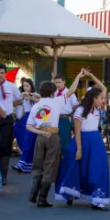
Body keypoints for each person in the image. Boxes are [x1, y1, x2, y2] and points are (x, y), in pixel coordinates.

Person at [26, 69, 85, 208]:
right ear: (53, 92)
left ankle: (33, 192)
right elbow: (71, 90)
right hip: (53, 135)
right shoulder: (57, 101)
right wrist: (78, 76)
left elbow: (29, 126)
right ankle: (42, 198)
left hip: (40, 136)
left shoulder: (36, 106)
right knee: (50, 165)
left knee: (38, 164)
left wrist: (40, 132)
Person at [55, 71, 110, 211]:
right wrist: (79, 149)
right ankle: (71, 194)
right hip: (82, 141)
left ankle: (96, 199)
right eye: (99, 98)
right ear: (93, 98)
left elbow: (104, 88)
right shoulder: (80, 111)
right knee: (77, 168)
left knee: (97, 168)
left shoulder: (96, 109)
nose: (102, 100)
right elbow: (77, 131)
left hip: (96, 142)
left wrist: (91, 76)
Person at [0, 64, 23, 185]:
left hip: (7, 119)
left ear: (5, 73)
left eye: (2, 72)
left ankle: (3, 176)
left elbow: (20, 99)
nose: (0, 75)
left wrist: (11, 105)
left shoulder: (11, 86)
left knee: (5, 146)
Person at [12, 79, 40, 173]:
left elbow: (41, 100)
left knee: (29, 141)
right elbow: (24, 110)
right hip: (25, 119)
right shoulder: (23, 97)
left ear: (31, 86)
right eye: (24, 86)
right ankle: (27, 164)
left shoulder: (35, 95)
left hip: (33, 120)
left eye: (27, 85)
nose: (25, 87)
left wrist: (31, 97)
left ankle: (22, 163)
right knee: (23, 139)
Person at [54, 74, 79, 155]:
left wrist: (71, 116)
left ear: (64, 82)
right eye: (56, 82)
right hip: (55, 119)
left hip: (65, 119)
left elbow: (76, 106)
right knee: (55, 141)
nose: (57, 84)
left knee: (65, 142)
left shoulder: (69, 93)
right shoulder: (54, 93)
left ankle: (66, 159)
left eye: (59, 82)